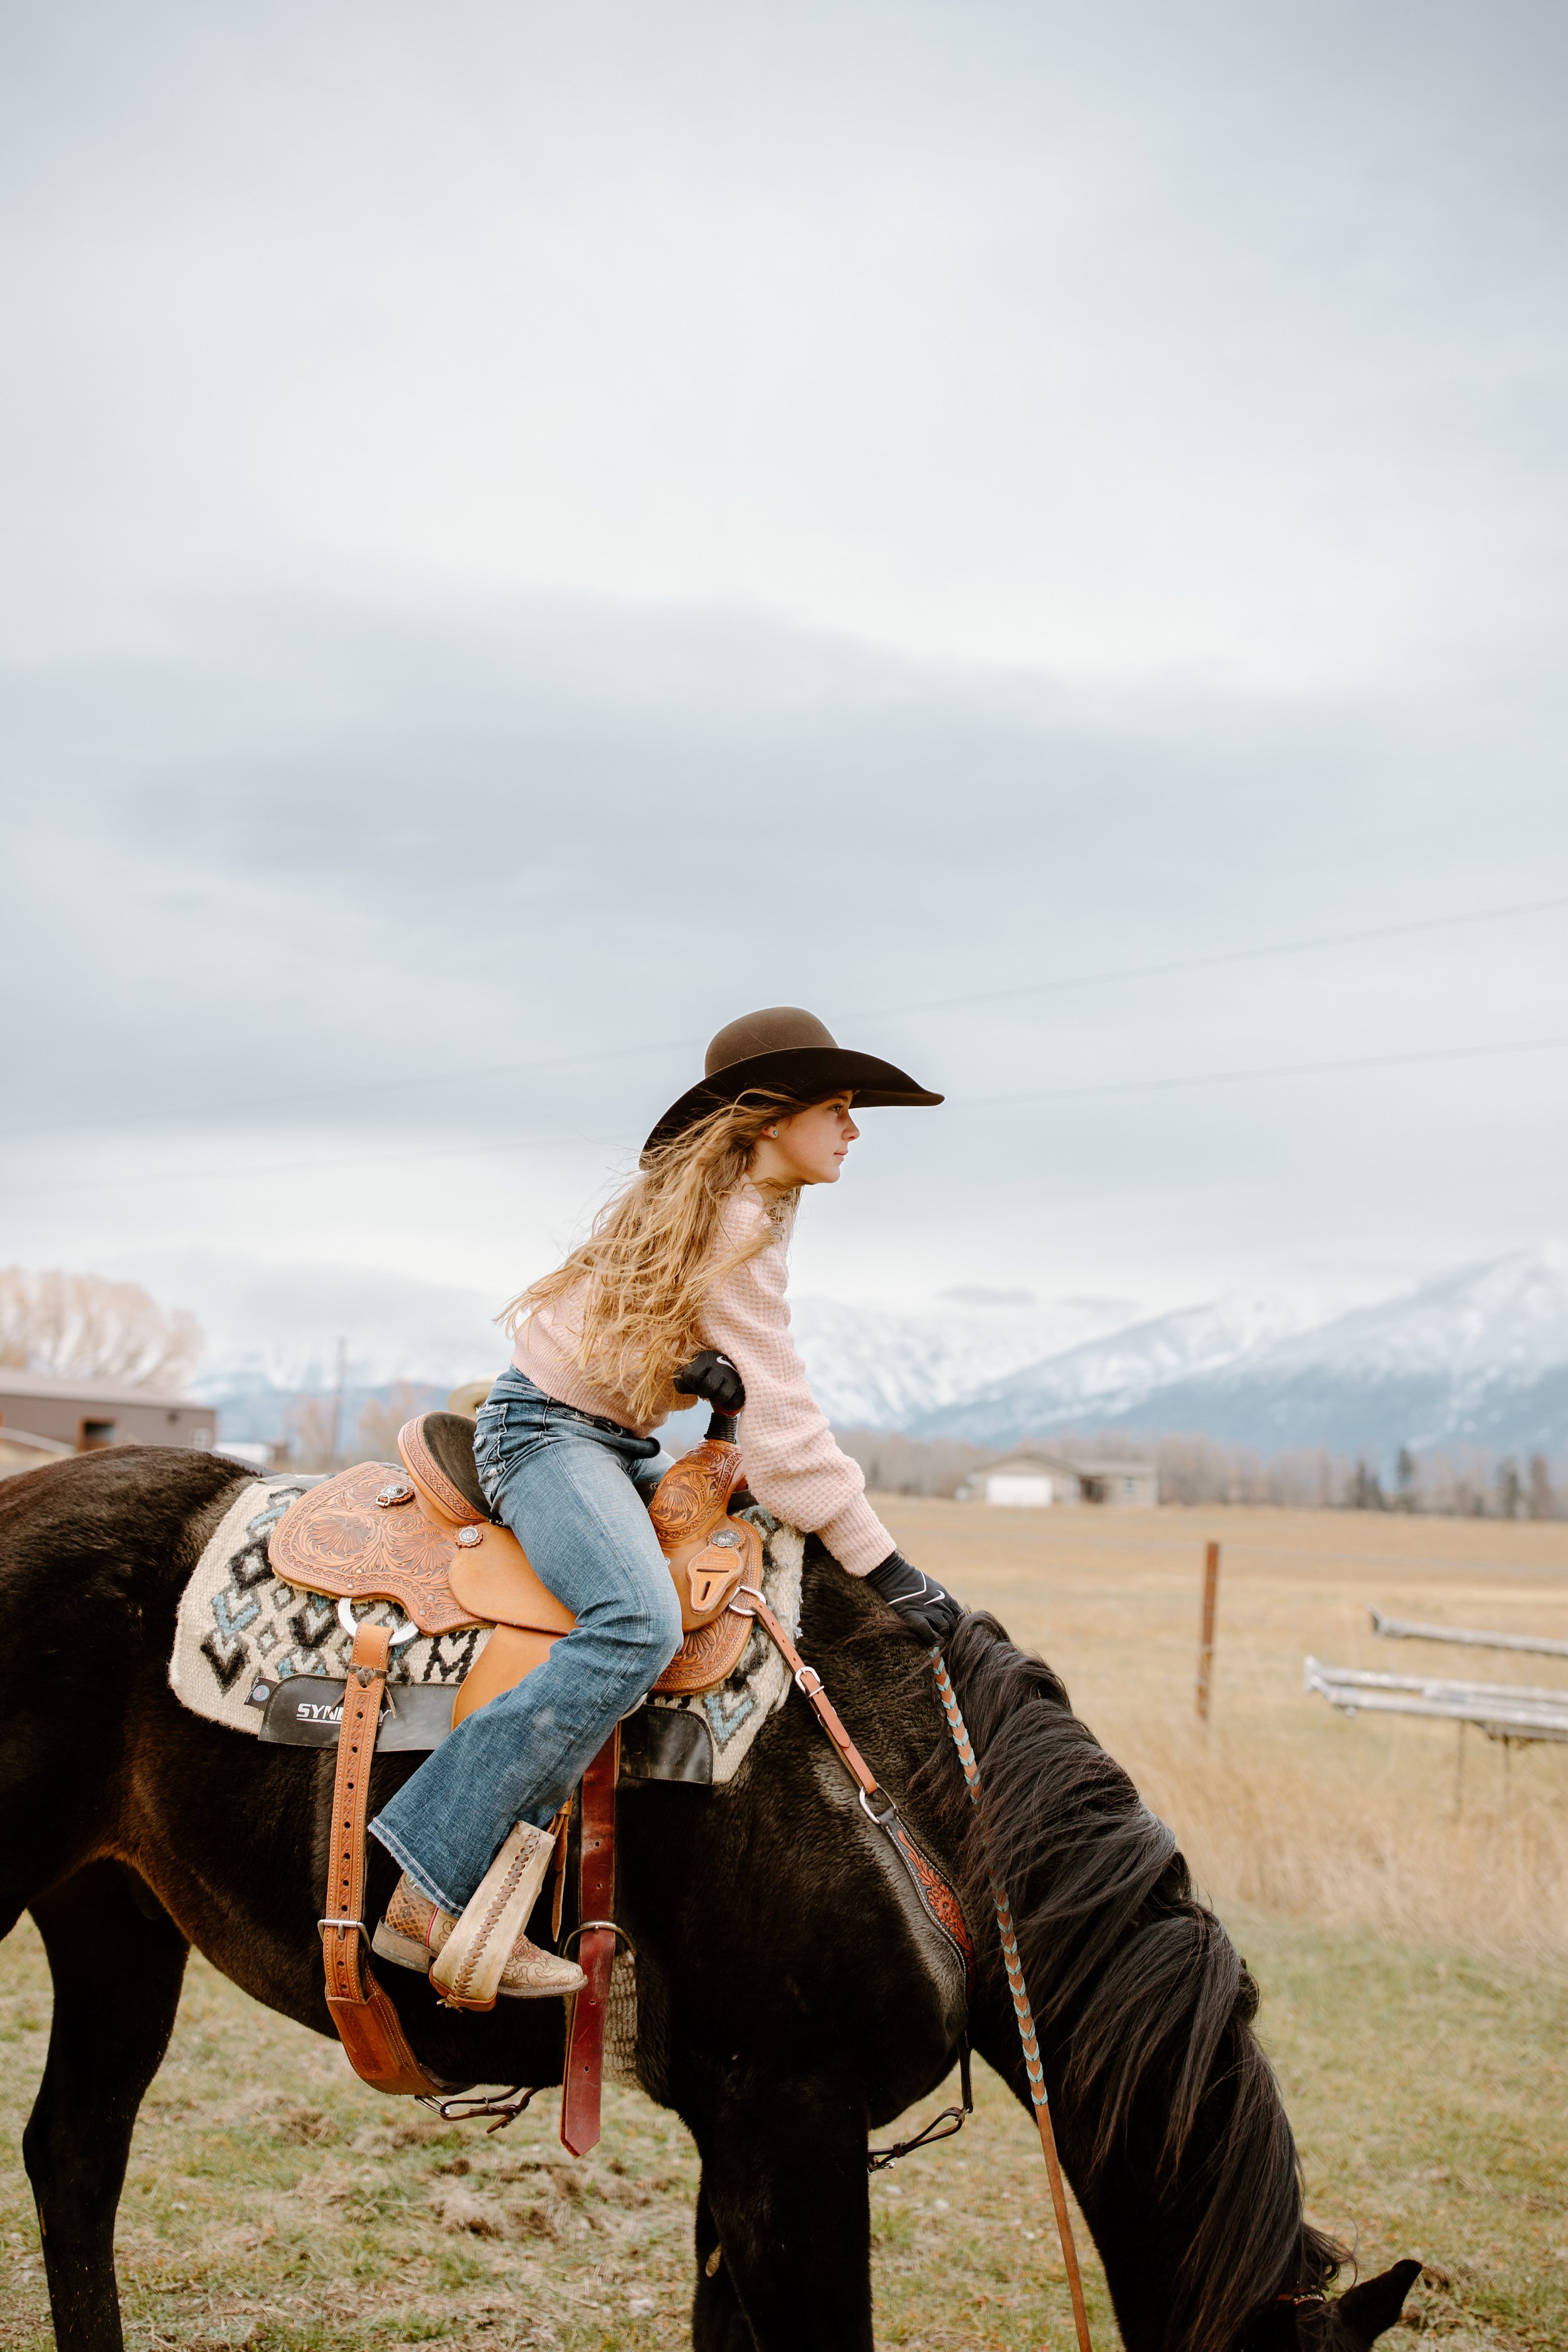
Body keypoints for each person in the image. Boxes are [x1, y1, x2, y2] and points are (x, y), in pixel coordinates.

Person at [369, 1005, 964, 2008]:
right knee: (635, 1621)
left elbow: (644, 1334)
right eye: (839, 1107)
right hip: (545, 1435)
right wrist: (886, 1565)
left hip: (605, 1436)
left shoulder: (740, 1202)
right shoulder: (737, 1219)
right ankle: (426, 1886)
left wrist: (690, 1374)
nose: (854, 1130)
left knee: (740, 1555)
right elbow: (788, 1430)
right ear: (774, 1118)